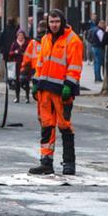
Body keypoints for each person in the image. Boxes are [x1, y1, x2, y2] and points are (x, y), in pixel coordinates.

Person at [29, 9, 83, 175]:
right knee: (46, 126)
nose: (54, 25)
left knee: (64, 126)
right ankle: (46, 162)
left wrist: (69, 85)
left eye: (56, 22)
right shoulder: (45, 39)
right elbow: (41, 63)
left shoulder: (73, 40)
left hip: (61, 91)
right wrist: (36, 83)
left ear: (62, 22)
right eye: (51, 22)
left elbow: (75, 66)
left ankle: (69, 163)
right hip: (45, 90)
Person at [9, 30, 31, 103]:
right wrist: (16, 52)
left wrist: (25, 53)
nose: (20, 37)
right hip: (17, 65)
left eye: (22, 35)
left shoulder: (27, 43)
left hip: (25, 65)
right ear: (17, 36)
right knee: (17, 82)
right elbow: (10, 54)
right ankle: (17, 97)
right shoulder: (14, 43)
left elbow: (30, 52)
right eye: (19, 35)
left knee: (26, 81)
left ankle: (27, 97)